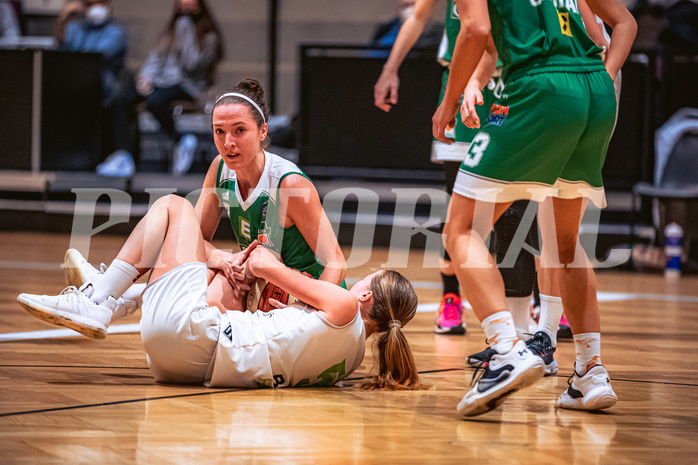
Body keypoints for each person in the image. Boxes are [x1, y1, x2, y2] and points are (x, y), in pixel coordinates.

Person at [432, 0, 636, 416]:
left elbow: (474, 29)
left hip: (539, 88)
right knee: (565, 242)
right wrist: (603, 75)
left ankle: (508, 347)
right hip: (593, 91)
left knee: (460, 229)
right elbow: (614, 28)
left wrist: (448, 101)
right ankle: (590, 372)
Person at [17, 194, 424, 390]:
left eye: (369, 278)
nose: (360, 281)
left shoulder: (343, 304)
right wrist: (238, 273)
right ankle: (113, 296)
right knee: (232, 280)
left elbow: (265, 264)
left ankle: (97, 299)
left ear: (367, 297)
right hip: (188, 369)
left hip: (192, 335)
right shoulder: (350, 360)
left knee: (175, 206)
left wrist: (242, 259)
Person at [56, 78, 347, 338]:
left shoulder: (289, 184)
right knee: (187, 302)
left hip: (301, 296)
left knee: (188, 309)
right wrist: (222, 258)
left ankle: (110, 294)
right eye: (219, 132)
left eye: (239, 130)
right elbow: (191, 246)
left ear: (263, 132)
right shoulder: (220, 170)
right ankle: (106, 296)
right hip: (254, 284)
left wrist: (307, 312)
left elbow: (336, 262)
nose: (228, 142)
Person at [374, 0, 541, 364]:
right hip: (463, 82)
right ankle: (454, 299)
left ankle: (524, 321)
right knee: (460, 212)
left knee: (516, 211)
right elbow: (418, 15)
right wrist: (390, 68)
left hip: (512, 84)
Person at [99, 0, 223, 177]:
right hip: (160, 82)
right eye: (182, 7)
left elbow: (191, 65)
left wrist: (185, 30)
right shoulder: (169, 32)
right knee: (123, 97)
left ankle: (180, 139)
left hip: (189, 86)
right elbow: (156, 57)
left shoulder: (209, 38)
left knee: (155, 101)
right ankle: (124, 156)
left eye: (190, 7)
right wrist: (146, 77)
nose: (185, 12)